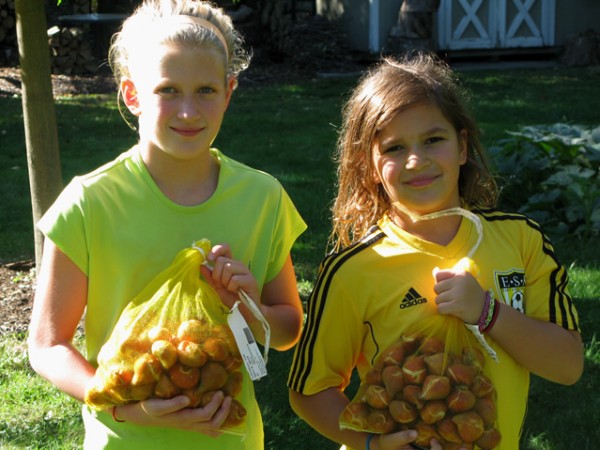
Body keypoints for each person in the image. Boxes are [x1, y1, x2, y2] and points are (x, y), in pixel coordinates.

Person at [27, 1, 307, 449]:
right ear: (132, 95)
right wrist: (122, 404)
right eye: (168, 91)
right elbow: (47, 345)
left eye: (205, 91)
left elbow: (289, 329)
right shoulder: (91, 201)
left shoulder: (262, 198)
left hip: (231, 439)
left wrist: (250, 306)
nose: (188, 112)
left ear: (229, 90)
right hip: (125, 439)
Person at [287, 53, 583, 450]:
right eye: (393, 148)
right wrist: (372, 442)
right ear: (370, 166)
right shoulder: (353, 270)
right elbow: (309, 390)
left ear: (462, 146)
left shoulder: (520, 240)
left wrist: (487, 312)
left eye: (433, 140)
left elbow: (567, 365)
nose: (416, 160)